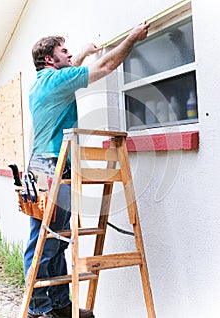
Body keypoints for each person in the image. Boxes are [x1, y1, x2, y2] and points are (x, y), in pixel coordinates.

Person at [25, 21, 150, 318]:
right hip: (52, 165)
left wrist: (81, 53)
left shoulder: (44, 83)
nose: (69, 55)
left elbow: (71, 71)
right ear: (49, 60)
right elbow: (106, 66)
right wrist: (132, 38)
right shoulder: (56, 81)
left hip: (46, 164)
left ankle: (58, 306)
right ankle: (37, 310)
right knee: (45, 241)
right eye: (63, 51)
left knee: (57, 239)